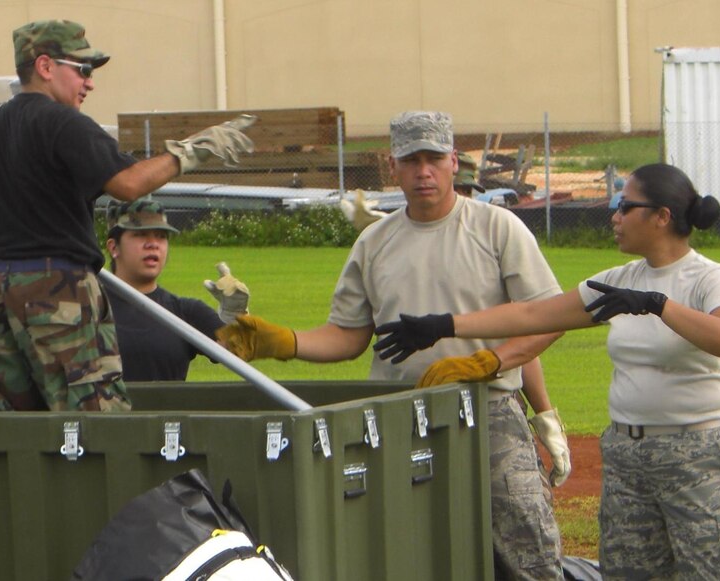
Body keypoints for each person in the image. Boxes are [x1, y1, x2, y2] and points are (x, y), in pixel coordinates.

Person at [218, 111, 567, 579]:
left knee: (526, 546)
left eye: (434, 159)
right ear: (393, 166)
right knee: (403, 548)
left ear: (454, 162)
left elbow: (550, 318)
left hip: (488, 410)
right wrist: (283, 341)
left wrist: (490, 361)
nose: (424, 171)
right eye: (412, 160)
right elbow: (347, 336)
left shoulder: (496, 228)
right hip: (397, 416)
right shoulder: (374, 242)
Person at [373, 163, 720, 579]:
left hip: (697, 456)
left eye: (625, 207)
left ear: (662, 216)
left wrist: (658, 305)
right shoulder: (618, 281)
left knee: (719, 571)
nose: (615, 216)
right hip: (628, 457)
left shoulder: (711, 279)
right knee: (630, 572)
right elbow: (534, 314)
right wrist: (444, 325)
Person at [0, 19, 254, 411]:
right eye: (82, 70)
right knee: (97, 422)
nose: (89, 83)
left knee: (7, 429)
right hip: (55, 291)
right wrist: (190, 152)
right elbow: (127, 184)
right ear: (45, 67)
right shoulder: (62, 122)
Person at [453, 150, 569, 502]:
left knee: (521, 507)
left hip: (493, 401)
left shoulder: (491, 237)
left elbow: (524, 342)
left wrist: (545, 415)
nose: (461, 200)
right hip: (421, 400)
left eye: (466, 192)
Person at [105, 200, 249, 382]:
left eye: (161, 236)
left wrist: (235, 317)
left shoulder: (185, 312)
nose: (153, 244)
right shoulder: (88, 308)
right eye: (140, 235)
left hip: (167, 410)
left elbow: (239, 349)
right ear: (113, 247)